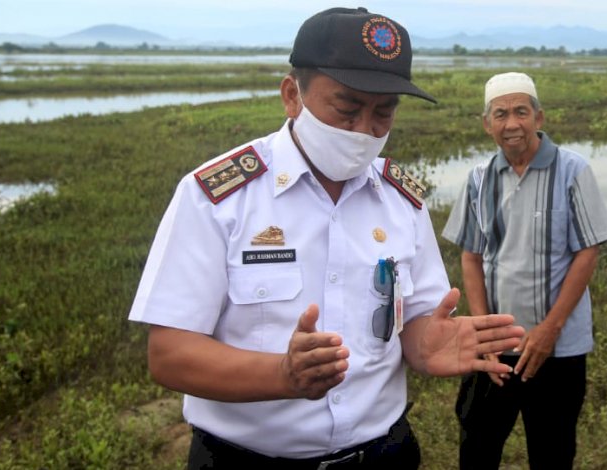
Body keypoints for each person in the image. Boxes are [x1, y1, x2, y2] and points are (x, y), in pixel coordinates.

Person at [128, 7, 525, 469]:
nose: (363, 131)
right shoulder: (217, 197)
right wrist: (281, 375)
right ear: (292, 95)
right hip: (245, 460)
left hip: (383, 454)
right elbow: (170, 354)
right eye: (347, 108)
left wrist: (422, 345)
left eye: (384, 112)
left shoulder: (403, 200)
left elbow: (416, 322)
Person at [441, 72, 607, 469]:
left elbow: (587, 252)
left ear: (539, 118)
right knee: (477, 445)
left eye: (521, 112)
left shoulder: (572, 171)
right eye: (500, 114)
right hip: (493, 348)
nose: (512, 124)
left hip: (557, 347)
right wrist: (483, 329)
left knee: (552, 450)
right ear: (487, 125)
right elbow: (471, 255)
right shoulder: (478, 179)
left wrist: (550, 328)